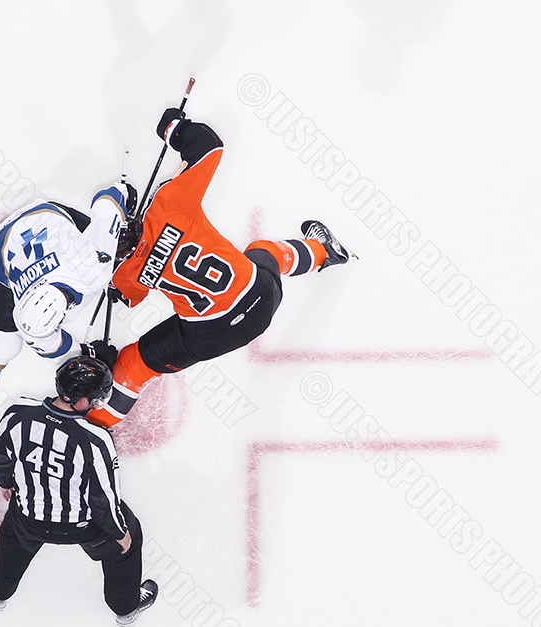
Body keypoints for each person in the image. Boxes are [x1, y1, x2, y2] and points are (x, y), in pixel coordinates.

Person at [86, 109, 355, 428]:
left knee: (132, 364)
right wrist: (174, 129)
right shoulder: (167, 204)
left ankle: (92, 426)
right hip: (260, 295)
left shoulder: (122, 273)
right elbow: (209, 145)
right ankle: (325, 251)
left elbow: (127, 297)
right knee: (263, 252)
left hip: (210, 336)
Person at [0, 184, 133, 461]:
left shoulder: (92, 268)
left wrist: (124, 204)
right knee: (5, 343)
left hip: (52, 221)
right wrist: (85, 355)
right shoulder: (32, 322)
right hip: (4, 251)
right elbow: (57, 349)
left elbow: (109, 199)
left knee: (121, 263)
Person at [0, 356, 159, 627]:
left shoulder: (17, 413)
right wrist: (120, 533)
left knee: (12, 534)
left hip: (29, 520)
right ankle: (125, 609)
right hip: (85, 528)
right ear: (80, 401)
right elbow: (104, 499)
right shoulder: (95, 438)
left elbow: (0, 456)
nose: (98, 402)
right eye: (95, 397)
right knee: (129, 538)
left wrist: (7, 482)